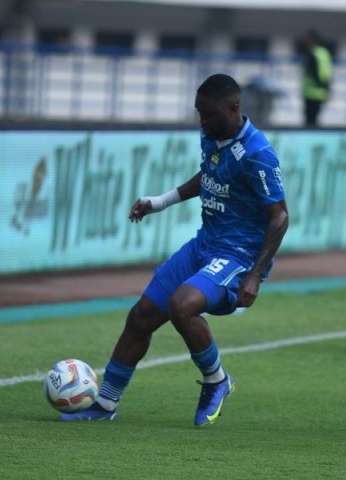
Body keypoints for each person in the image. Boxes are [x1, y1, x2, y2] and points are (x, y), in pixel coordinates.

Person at [60, 73, 289, 426]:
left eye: (209, 114)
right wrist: (161, 201)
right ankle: (105, 406)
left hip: (237, 257)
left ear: (234, 108)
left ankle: (217, 381)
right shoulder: (212, 135)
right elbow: (209, 176)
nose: (202, 121)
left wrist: (255, 275)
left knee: (182, 305)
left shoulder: (258, 154)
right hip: (204, 245)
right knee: (141, 316)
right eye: (199, 113)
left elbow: (279, 217)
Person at [301, 29, 333, 127]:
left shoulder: (312, 53)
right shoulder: (324, 53)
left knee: (310, 120)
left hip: (311, 91)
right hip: (321, 91)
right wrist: (326, 89)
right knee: (315, 119)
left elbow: (313, 72)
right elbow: (327, 72)